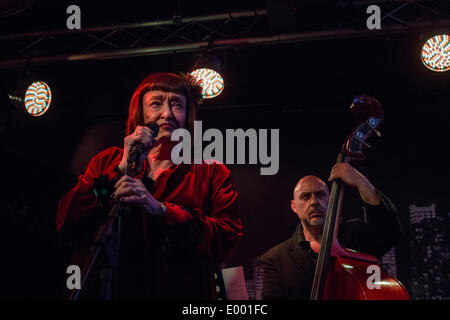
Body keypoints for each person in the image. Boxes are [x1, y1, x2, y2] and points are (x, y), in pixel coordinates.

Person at [56, 72, 243, 299]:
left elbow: (227, 237)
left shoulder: (210, 171)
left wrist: (161, 210)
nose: (166, 114)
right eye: (156, 103)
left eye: (176, 105)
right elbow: (67, 221)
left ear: (188, 116)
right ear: (140, 113)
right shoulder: (107, 161)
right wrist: (121, 169)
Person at [260, 162, 402, 299]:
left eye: (320, 195)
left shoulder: (357, 235)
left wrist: (361, 182)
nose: (314, 202)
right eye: (305, 196)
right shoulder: (275, 260)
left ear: (331, 200)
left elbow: (390, 231)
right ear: (294, 206)